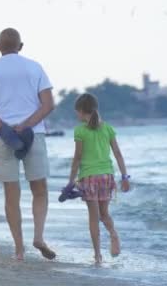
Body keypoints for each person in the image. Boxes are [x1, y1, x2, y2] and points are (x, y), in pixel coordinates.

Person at [0, 28, 56, 261]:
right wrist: (26, 125)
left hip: (2, 137)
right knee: (39, 189)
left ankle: (19, 249)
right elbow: (48, 104)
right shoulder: (35, 67)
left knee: (11, 194)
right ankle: (39, 236)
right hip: (33, 134)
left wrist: (5, 127)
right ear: (21, 46)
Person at [68, 93, 130, 264]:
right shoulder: (108, 128)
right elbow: (118, 153)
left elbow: (77, 158)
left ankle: (97, 256)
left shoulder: (80, 130)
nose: (76, 115)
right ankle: (114, 234)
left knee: (94, 217)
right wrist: (124, 176)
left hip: (89, 177)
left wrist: (71, 181)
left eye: (77, 112)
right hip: (106, 177)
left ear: (81, 111)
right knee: (104, 214)